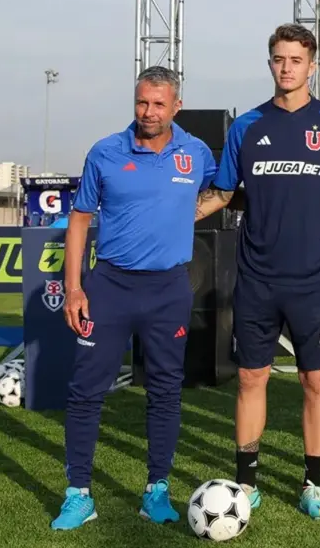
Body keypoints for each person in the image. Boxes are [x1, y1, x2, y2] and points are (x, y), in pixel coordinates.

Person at [195, 23, 320, 520]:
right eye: (278, 59)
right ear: (270, 63)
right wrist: (160, 216)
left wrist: (316, 215)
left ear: (312, 66)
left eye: (295, 60)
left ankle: (313, 485)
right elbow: (222, 195)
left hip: (311, 281)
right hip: (257, 279)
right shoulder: (247, 127)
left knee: (316, 383)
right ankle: (247, 483)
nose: (286, 68)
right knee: (250, 379)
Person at [53, 66, 217, 530]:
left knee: (165, 391)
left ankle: (156, 490)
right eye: (142, 102)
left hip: (168, 290)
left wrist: (191, 211)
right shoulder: (105, 152)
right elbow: (81, 219)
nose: (148, 112)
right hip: (109, 287)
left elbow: (223, 190)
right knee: (86, 391)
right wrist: (74, 287)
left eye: (159, 104)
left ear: (176, 106)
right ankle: (78, 494)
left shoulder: (196, 152)